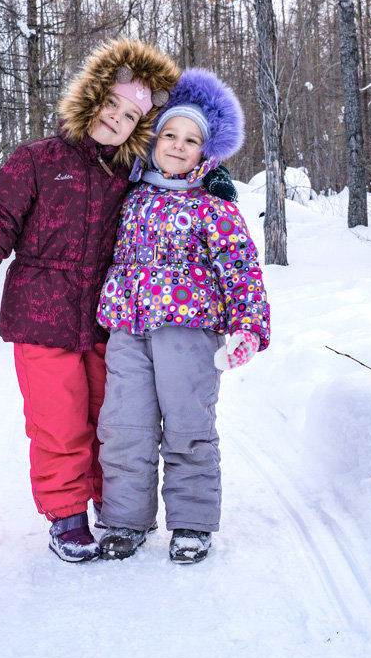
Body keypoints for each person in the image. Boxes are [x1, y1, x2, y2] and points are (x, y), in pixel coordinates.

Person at [0, 38, 181, 562]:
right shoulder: (37, 160)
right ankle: (66, 516)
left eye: (132, 114)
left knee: (106, 421)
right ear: (92, 98)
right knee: (58, 424)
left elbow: (180, 175)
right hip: (40, 317)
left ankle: (106, 505)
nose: (118, 119)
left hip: (101, 319)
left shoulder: (129, 174)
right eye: (112, 104)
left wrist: (214, 180)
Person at [94, 68, 270, 564]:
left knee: (189, 426)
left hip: (189, 334)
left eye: (190, 140)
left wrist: (248, 328)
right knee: (125, 426)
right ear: (152, 140)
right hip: (129, 330)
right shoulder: (130, 196)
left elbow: (241, 269)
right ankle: (126, 520)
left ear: (204, 152)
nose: (177, 145)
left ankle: (191, 522)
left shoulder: (214, 206)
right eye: (169, 134)